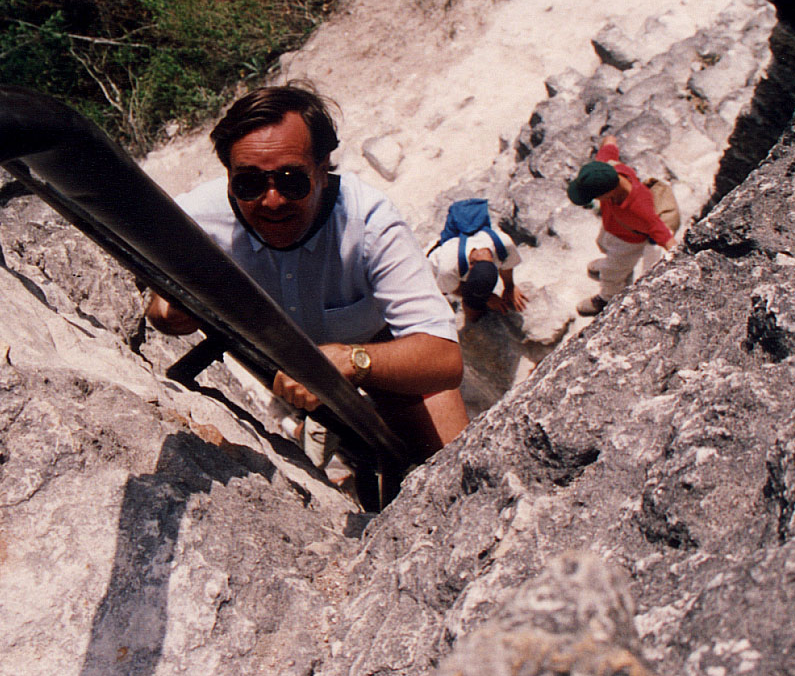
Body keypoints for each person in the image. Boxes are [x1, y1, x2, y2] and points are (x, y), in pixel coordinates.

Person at [146, 84, 467, 462]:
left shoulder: (370, 223)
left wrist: (353, 361)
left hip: (382, 353)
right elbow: (160, 308)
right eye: (248, 183)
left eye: (291, 180)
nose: (272, 200)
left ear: (324, 166)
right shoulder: (195, 217)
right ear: (228, 174)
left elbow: (444, 361)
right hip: (281, 377)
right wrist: (170, 314)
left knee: (456, 465)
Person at [566, 134, 676, 316]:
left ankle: (607, 297)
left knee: (611, 274)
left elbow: (660, 231)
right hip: (614, 227)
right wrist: (610, 139)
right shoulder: (607, 169)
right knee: (602, 243)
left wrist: (678, 254)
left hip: (629, 242)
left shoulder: (639, 207)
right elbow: (609, 145)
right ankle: (611, 265)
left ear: (608, 192)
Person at [427, 215, 527, 323]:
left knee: (479, 302)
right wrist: (488, 297)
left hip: (460, 264)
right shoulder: (448, 267)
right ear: (471, 265)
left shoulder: (503, 245)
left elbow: (507, 264)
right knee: (474, 316)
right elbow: (452, 288)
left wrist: (509, 286)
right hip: (432, 271)